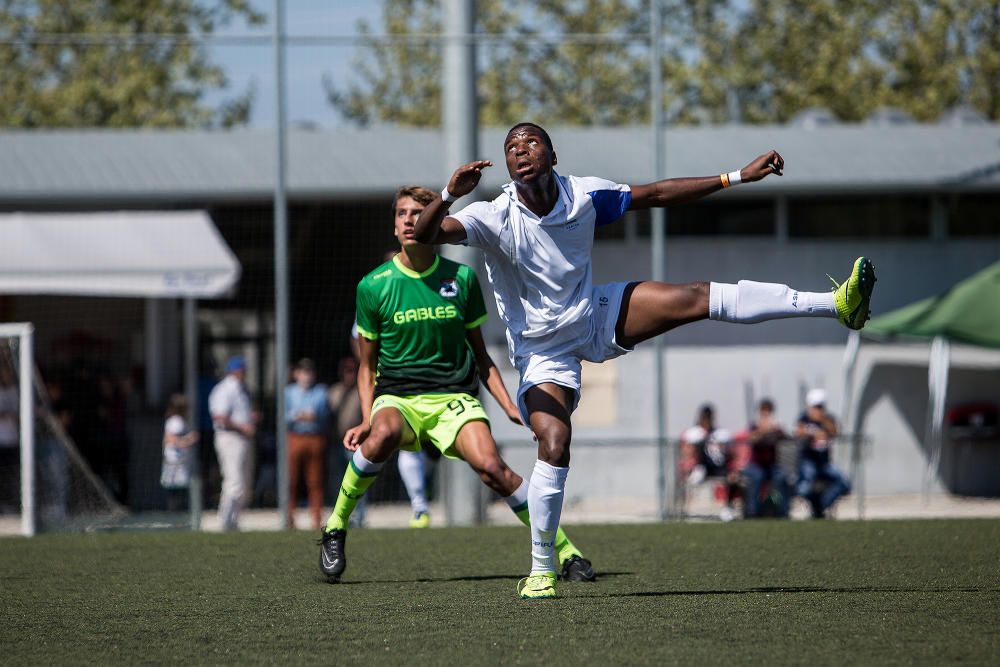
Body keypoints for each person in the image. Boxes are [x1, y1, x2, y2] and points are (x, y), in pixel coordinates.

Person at [414, 121, 877, 598]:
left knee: (696, 296)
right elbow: (426, 235)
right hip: (541, 351)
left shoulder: (585, 195)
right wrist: (449, 192)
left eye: (531, 141)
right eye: (511, 146)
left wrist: (736, 176)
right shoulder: (493, 215)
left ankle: (834, 304)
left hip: (593, 314)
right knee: (554, 441)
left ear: (552, 156)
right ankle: (541, 568)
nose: (520, 150)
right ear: (508, 165)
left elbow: (656, 194)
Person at [319, 185, 594, 584]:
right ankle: (334, 527)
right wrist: (365, 418)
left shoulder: (461, 279)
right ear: (394, 226)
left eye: (419, 212)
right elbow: (367, 367)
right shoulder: (373, 285)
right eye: (402, 213)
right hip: (398, 395)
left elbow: (482, 359)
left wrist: (510, 406)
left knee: (493, 468)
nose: (410, 220)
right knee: (381, 435)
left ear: (435, 221)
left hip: (453, 398)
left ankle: (566, 551)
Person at [209, 355, 256, 531]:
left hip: (242, 439)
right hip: (230, 438)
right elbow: (220, 417)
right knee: (234, 481)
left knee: (244, 482)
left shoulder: (241, 389)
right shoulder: (224, 389)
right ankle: (225, 520)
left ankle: (234, 520)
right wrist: (243, 427)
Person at [285, 358, 330, 530]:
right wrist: (299, 416)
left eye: (309, 372)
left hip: (315, 438)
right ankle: (288, 517)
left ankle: (316, 519)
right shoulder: (289, 392)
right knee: (291, 480)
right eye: (303, 372)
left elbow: (320, 413)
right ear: (296, 374)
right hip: (295, 437)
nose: (306, 376)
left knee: (315, 481)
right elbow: (285, 416)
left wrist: (301, 415)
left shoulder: (321, 391)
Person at [795, 388, 851, 518]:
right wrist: (813, 433)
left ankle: (821, 505)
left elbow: (835, 432)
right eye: (816, 406)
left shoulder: (828, 418)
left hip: (824, 463)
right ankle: (817, 508)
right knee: (804, 487)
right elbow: (799, 431)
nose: (818, 409)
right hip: (809, 461)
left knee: (844, 483)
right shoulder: (804, 417)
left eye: (820, 406)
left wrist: (822, 420)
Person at [680, 404, 739, 521]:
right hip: (702, 465)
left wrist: (720, 447)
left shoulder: (721, 433)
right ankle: (699, 470)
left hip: (719, 465)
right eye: (705, 418)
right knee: (703, 443)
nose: (707, 421)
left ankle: (727, 509)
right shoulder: (694, 432)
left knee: (733, 478)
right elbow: (686, 451)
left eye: (709, 418)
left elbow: (730, 452)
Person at [743, 399, 790, 518]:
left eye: (768, 412)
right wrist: (762, 432)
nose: (766, 414)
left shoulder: (775, 427)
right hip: (755, 465)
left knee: (781, 478)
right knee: (757, 477)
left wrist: (779, 431)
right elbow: (750, 439)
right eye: (764, 412)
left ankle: (783, 511)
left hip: (771, 466)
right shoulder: (755, 426)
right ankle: (752, 511)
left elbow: (787, 438)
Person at [160, 393, 199, 512]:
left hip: (179, 463)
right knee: (176, 494)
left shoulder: (177, 421)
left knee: (180, 493)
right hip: (175, 464)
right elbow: (170, 439)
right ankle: (175, 517)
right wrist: (189, 440)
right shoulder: (175, 422)